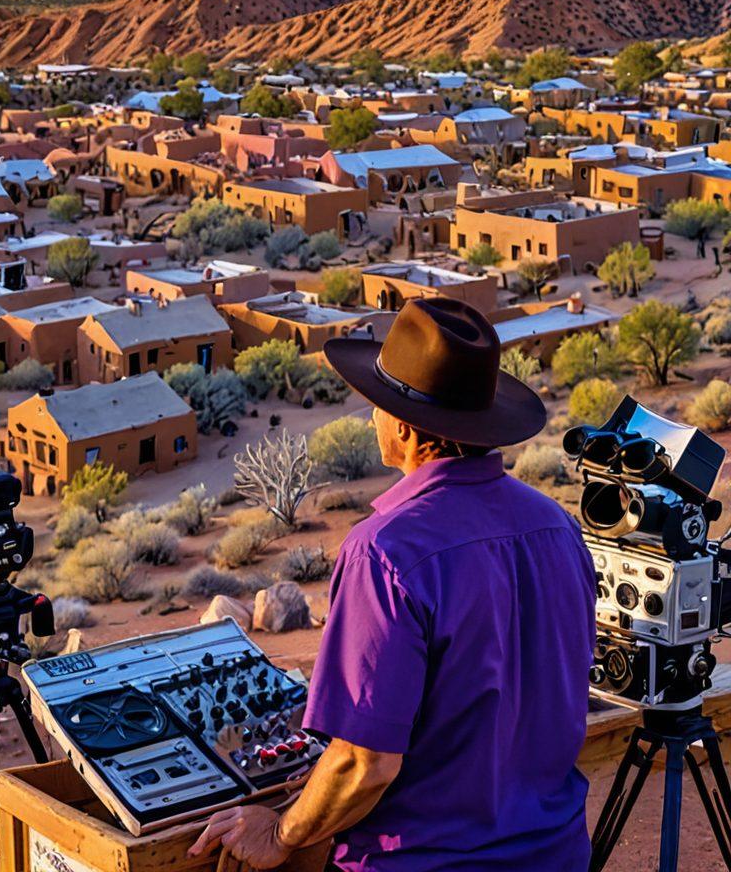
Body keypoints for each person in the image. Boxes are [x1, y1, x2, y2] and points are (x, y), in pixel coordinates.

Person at [189, 298, 597, 871]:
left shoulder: (385, 552)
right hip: (555, 855)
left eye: (376, 405)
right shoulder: (556, 525)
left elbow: (365, 762)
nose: (371, 417)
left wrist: (281, 833)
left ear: (404, 429)